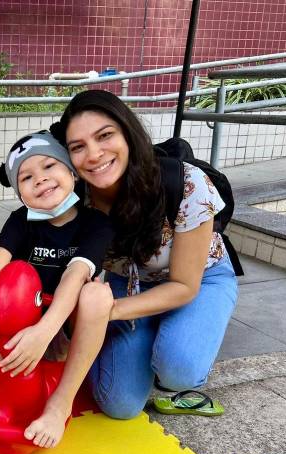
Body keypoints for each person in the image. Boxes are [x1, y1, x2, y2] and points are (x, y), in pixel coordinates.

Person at [51, 89, 238, 419]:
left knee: (178, 366)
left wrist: (104, 314)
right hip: (129, 282)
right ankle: (150, 338)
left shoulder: (187, 182)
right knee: (118, 404)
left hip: (199, 279)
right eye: (78, 147)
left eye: (105, 136)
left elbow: (184, 285)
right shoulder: (73, 201)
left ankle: (181, 337)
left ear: (128, 134)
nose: (93, 154)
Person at [0, 131, 115, 448]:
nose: (41, 180)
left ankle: (59, 403)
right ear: (19, 191)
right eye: (26, 177)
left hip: (60, 326)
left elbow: (74, 276)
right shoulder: (22, 220)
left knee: (97, 294)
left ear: (72, 172)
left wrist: (45, 332)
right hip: (13, 319)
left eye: (50, 166)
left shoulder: (96, 223)